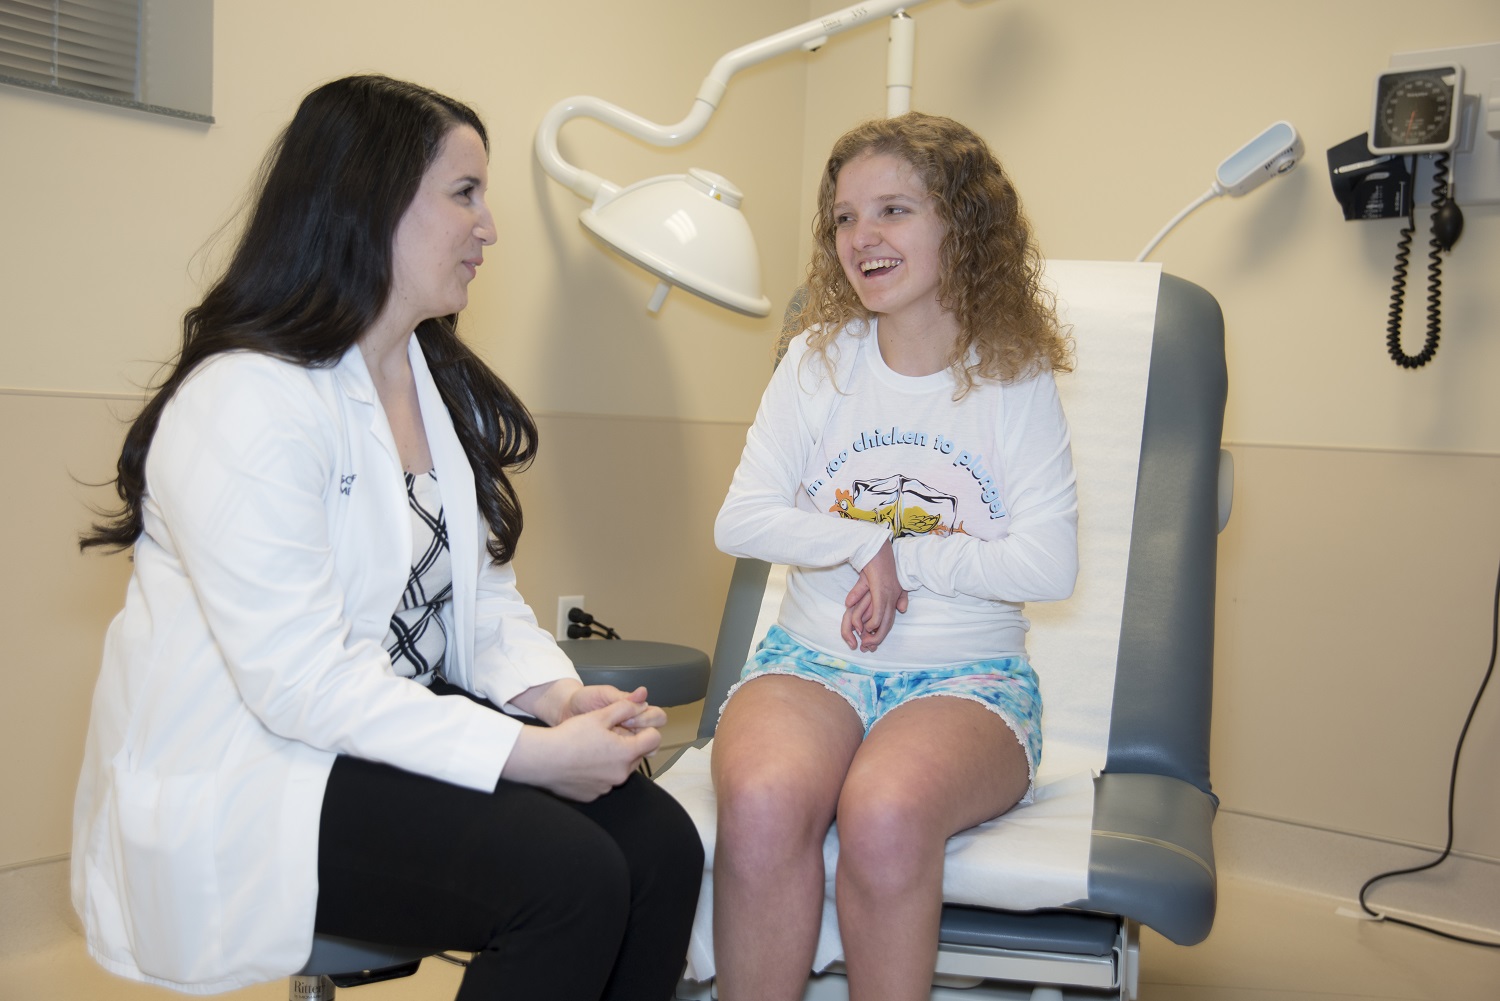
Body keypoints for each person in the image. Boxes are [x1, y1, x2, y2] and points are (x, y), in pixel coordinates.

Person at [71, 75, 702, 1000]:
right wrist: (529, 755)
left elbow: (480, 602)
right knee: (566, 878)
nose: (489, 228)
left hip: (383, 731)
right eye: (466, 194)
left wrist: (557, 699)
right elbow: (298, 681)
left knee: (660, 846)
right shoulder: (247, 398)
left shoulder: (426, 377)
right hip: (267, 765)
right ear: (370, 200)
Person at [709, 112, 1078, 1001]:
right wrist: (868, 538)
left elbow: (1048, 564)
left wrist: (906, 560)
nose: (861, 238)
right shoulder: (815, 362)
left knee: (884, 811)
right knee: (760, 804)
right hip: (809, 661)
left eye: (893, 210)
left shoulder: (1012, 379)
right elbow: (741, 519)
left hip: (967, 678)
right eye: (843, 217)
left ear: (963, 225)